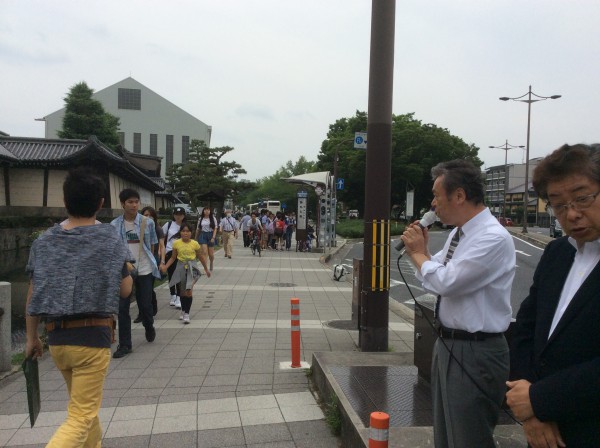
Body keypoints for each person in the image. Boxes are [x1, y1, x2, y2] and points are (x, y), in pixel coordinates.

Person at [401, 159, 515, 448]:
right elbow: (433, 272)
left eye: (438, 195)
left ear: (460, 195)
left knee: (467, 437)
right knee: (446, 433)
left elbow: (447, 282)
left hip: (477, 349)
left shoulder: (492, 238)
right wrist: (422, 253)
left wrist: (418, 253)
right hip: (448, 343)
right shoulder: (458, 233)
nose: (433, 203)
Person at [25, 167, 132, 447]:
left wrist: (31, 337)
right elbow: (125, 290)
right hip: (91, 339)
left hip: (57, 341)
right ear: (100, 203)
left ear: (65, 201)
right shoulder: (109, 238)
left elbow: (33, 293)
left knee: (85, 409)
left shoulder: (44, 241)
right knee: (80, 416)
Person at [507, 143, 600, 448]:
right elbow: (525, 329)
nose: (572, 214)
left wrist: (538, 399)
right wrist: (530, 413)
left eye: (583, 197)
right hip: (545, 430)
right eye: (558, 204)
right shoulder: (558, 252)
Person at [111, 188, 160, 358]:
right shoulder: (114, 225)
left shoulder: (148, 222)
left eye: (136, 202)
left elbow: (152, 244)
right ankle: (125, 344)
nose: (134, 205)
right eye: (130, 202)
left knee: (145, 304)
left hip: (145, 268)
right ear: (123, 204)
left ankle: (149, 324)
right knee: (123, 307)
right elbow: (115, 249)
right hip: (124, 270)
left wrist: (152, 262)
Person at [161, 222, 211, 323]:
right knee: (182, 292)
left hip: (192, 268)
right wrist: (166, 266)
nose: (185, 233)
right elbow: (173, 257)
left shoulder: (195, 244)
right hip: (180, 267)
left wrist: (206, 269)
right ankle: (183, 310)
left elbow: (200, 257)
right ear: (180, 232)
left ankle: (187, 314)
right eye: (183, 231)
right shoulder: (176, 243)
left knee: (189, 291)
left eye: (188, 231)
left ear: (191, 233)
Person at [137, 206, 165, 322]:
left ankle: (150, 307)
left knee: (148, 287)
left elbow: (162, 246)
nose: (147, 217)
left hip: (153, 260)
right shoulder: (138, 227)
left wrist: (162, 261)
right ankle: (141, 313)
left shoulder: (157, 229)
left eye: (150, 215)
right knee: (139, 289)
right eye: (145, 215)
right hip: (139, 261)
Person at [162, 206, 187, 309]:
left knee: (180, 275)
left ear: (183, 215)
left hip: (181, 253)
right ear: (173, 215)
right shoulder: (168, 225)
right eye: (176, 214)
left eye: (180, 214)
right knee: (171, 274)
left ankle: (178, 296)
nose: (178, 216)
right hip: (169, 252)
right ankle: (172, 295)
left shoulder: (185, 226)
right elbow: (162, 239)